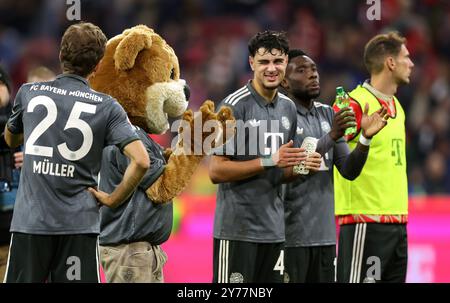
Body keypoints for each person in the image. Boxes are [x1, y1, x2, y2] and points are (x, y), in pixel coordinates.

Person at [2, 22, 150, 283]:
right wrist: (114, 199)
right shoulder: (108, 107)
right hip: (79, 226)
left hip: (30, 224)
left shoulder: (29, 93)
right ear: (97, 65)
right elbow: (141, 161)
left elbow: (11, 138)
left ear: (61, 56)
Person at [209, 31, 322, 283]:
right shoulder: (233, 106)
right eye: (264, 62)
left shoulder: (288, 107)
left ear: (285, 64)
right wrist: (269, 160)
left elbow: (279, 172)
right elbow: (216, 170)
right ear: (251, 63)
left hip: (274, 231)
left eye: (277, 62)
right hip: (237, 231)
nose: (271, 69)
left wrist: (303, 166)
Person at [280, 49, 389, 283]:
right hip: (290, 237)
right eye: (302, 70)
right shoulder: (280, 116)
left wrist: (365, 139)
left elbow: (349, 170)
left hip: (326, 238)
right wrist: (332, 135)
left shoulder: (328, 114)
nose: (312, 75)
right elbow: (296, 165)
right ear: (284, 81)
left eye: (314, 70)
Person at [334, 31, 414, 283]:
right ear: (390, 62)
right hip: (364, 221)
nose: (411, 63)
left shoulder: (397, 107)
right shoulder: (353, 103)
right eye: (406, 57)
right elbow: (337, 157)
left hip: (398, 223)